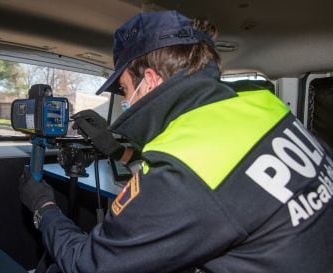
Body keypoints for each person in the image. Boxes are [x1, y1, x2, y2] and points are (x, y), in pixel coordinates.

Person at [19, 10, 333, 273]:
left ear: (151, 80)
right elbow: (226, 185)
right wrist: (121, 152)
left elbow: (90, 264)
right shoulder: (267, 111)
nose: (127, 101)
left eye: (126, 89)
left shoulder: (181, 177)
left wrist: (43, 207)